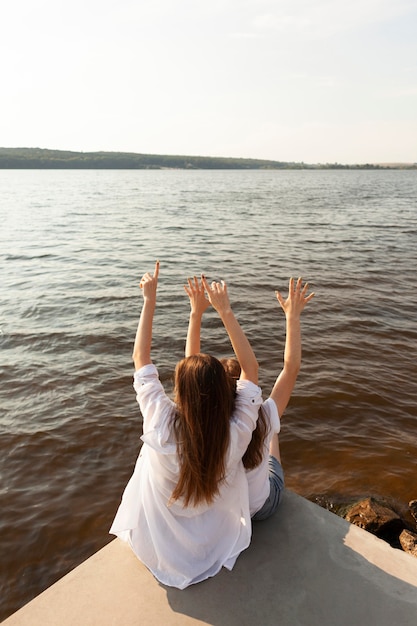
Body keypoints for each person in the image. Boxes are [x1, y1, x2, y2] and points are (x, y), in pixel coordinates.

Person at [110, 261, 262, 589]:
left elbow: (140, 358)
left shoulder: (162, 425)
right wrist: (224, 311)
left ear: (180, 392)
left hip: (161, 548)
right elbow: (250, 369)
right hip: (212, 543)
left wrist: (150, 300)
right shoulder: (235, 434)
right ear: (224, 392)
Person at [184, 275, 314, 521]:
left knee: (267, 420)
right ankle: (272, 430)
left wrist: (196, 313)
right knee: (269, 425)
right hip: (260, 508)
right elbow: (290, 368)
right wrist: (292, 317)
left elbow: (191, 367)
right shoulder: (256, 417)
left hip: (224, 510)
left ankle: (271, 428)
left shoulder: (202, 420)